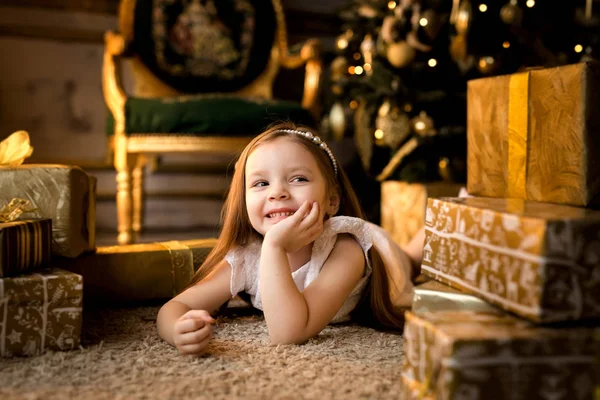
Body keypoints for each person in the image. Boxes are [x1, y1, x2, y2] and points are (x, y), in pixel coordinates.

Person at [157, 122, 424, 356]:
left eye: (298, 179)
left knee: (410, 262)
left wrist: (275, 246)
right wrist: (177, 330)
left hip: (386, 262)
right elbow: (175, 307)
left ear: (332, 200)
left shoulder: (346, 247)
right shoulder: (246, 257)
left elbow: (290, 332)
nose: (278, 193)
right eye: (261, 183)